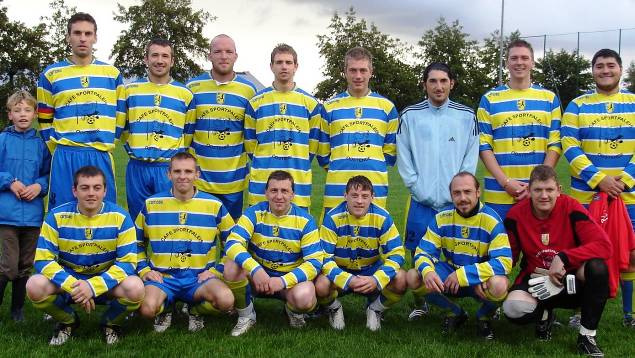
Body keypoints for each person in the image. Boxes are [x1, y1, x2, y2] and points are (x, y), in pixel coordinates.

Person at [25, 166, 144, 345]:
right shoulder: (56, 216)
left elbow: (127, 263)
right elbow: (42, 259)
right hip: (70, 279)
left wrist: (93, 286)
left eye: (97, 188)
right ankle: (67, 321)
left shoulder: (121, 217)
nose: (91, 193)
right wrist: (75, 286)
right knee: (34, 285)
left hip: (106, 279)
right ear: (74, 190)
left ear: (105, 191)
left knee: (135, 287)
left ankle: (110, 323)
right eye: (84, 187)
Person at [397, 62, 479, 319]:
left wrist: (463, 191)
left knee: (462, 252)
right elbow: (404, 154)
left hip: (457, 202)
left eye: (444, 80)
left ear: (451, 83)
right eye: (433, 81)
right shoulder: (410, 115)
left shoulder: (466, 116)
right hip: (422, 201)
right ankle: (422, 303)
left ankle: (467, 298)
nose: (438, 86)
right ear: (425, 84)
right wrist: (416, 186)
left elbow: (470, 156)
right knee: (419, 253)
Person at [502, 165, 612, 357]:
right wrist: (489, 275)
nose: (544, 195)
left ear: (559, 190)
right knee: (512, 309)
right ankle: (545, 314)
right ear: (529, 190)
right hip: (536, 278)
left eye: (549, 189)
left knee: (598, 268)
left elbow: (604, 245)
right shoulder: (515, 215)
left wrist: (563, 257)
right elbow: (508, 256)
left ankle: (586, 336)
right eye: (538, 190)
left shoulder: (571, 207)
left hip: (570, 281)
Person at [561, 48, 635, 328]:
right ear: (592, 71)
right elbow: (569, 144)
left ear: (620, 69)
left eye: (610, 65)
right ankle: (580, 310)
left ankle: (630, 315)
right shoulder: (578, 105)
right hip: (586, 195)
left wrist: (623, 180)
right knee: (585, 252)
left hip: (628, 195)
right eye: (599, 66)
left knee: (632, 254)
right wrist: (598, 179)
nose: (605, 70)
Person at [136, 152, 235, 333]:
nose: (183, 176)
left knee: (226, 300)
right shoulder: (152, 204)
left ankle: (195, 310)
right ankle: (165, 308)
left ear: (197, 174)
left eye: (188, 171)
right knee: (147, 309)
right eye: (177, 171)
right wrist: (145, 270)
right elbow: (135, 243)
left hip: (199, 278)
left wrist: (216, 270)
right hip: (163, 278)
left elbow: (233, 243)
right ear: (169, 174)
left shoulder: (214, 205)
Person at [406, 172, 511, 339]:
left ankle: (484, 317)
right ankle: (454, 312)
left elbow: (504, 262)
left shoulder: (492, 220)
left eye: (467, 191)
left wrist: (464, 275)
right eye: (457, 193)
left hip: (478, 280)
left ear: (478, 192)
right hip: (450, 275)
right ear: (451, 195)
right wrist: (428, 271)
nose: (462, 198)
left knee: (499, 284)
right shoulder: (442, 217)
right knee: (413, 276)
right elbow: (422, 252)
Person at [37, 12, 125, 209]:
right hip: (65, 153)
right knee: (62, 213)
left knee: (104, 214)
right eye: (77, 33)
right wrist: (58, 148)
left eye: (88, 33)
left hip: (99, 153)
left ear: (95, 37)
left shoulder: (112, 74)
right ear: (68, 37)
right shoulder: (51, 74)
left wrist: (111, 142)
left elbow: (120, 116)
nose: (83, 38)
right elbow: (44, 119)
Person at [224, 170, 323, 336]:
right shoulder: (254, 213)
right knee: (231, 266)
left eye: (284, 191)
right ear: (266, 193)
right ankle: (247, 315)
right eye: (274, 190)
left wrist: (283, 281)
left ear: (292, 194)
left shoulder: (306, 221)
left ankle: (293, 311)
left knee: (305, 297)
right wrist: (256, 270)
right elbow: (232, 243)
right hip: (258, 278)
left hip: (287, 281)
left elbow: (314, 263)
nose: (279, 196)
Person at [477, 39, 561, 220]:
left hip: (540, 194)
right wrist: (505, 182)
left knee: (541, 248)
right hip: (499, 192)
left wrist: (536, 184)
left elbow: (555, 144)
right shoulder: (489, 99)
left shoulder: (549, 98)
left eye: (524, 58)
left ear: (532, 62)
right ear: (506, 62)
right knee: (503, 248)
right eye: (514, 58)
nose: (519, 62)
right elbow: (484, 146)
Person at [315, 175, 406, 331]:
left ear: (372, 197)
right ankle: (334, 308)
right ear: (345, 196)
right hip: (341, 269)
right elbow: (324, 257)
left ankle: (375, 309)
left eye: (365, 196)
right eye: (354, 195)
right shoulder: (332, 218)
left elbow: (397, 253)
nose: (359, 201)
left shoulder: (382, 217)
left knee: (401, 279)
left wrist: (376, 279)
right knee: (321, 284)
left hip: (371, 270)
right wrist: (348, 279)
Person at [121, 38, 195, 221]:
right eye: (154, 55)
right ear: (146, 59)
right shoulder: (130, 90)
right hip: (137, 167)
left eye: (165, 56)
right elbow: (122, 128)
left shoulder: (185, 94)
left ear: (172, 61)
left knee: (166, 221)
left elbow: (188, 133)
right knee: (138, 223)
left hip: (167, 168)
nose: (159, 60)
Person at [318, 47, 399, 213]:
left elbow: (390, 154)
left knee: (372, 238)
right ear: (345, 72)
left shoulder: (387, 108)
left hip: (374, 190)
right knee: (334, 238)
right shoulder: (330, 107)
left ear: (371, 72)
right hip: (337, 191)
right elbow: (323, 155)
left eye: (363, 70)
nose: (358, 76)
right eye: (353, 70)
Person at [187, 34, 257, 220]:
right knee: (201, 241)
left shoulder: (249, 90)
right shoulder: (193, 87)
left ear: (236, 56)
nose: (223, 56)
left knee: (231, 242)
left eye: (228, 51)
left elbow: (252, 134)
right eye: (218, 51)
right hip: (200, 182)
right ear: (209, 55)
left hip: (233, 182)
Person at [244, 44, 321, 209]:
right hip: (262, 184)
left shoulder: (311, 104)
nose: (284, 66)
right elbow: (251, 145)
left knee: (296, 233)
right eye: (279, 62)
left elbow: (311, 147)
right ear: (271, 66)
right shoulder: (256, 102)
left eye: (288, 62)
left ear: (296, 66)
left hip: (298, 184)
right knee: (259, 233)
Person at [0, 91, 51, 321]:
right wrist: (9, 181)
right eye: (17, 110)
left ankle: (17, 310)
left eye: (27, 110)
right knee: (8, 266)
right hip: (7, 215)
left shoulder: (41, 143)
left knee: (25, 265)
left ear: (35, 114)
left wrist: (39, 187)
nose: (23, 114)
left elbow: (48, 174)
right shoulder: (2, 140)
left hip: (32, 216)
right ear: (9, 115)